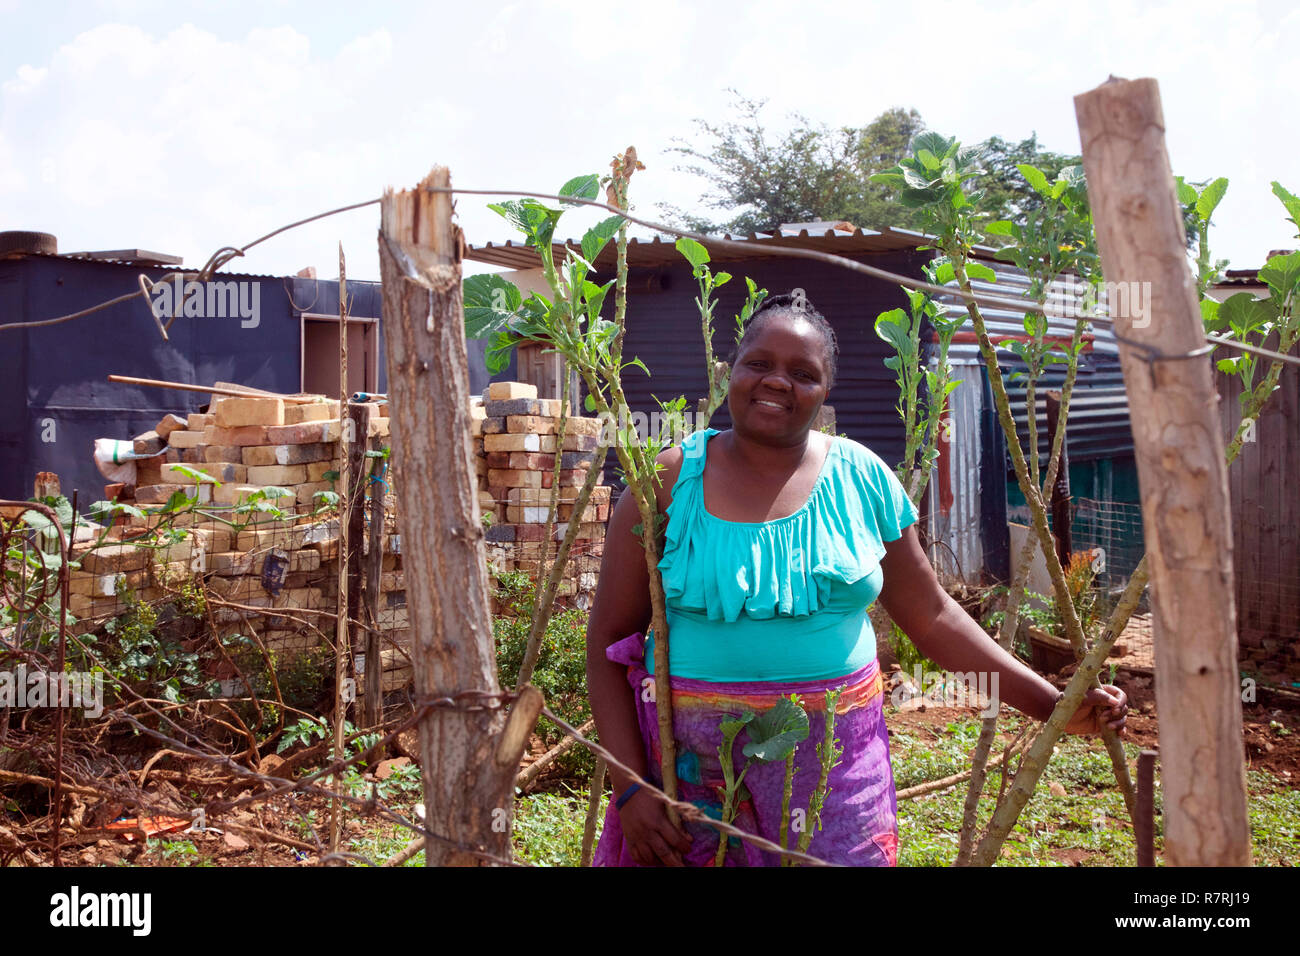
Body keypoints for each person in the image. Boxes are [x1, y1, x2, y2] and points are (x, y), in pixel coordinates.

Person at [585, 292, 1128, 867]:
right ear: (730, 373)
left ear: (825, 392)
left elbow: (934, 618)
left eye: (802, 373)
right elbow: (606, 644)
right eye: (759, 364)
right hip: (691, 772)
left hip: (837, 770)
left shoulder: (861, 477)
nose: (777, 382)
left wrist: (1055, 705)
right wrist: (631, 789)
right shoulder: (666, 483)